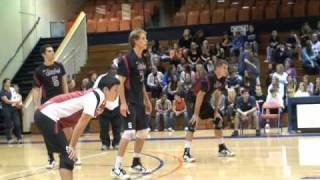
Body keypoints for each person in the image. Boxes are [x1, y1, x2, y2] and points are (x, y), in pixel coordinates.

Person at [34, 74, 119, 180]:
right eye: (116, 90)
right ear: (106, 89)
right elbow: (81, 124)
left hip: (47, 115)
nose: (117, 93)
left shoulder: (96, 96)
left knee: (67, 155)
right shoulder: (95, 97)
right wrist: (72, 146)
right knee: (68, 154)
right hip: (47, 115)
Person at [112, 29, 153, 179]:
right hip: (129, 102)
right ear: (135, 41)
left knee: (143, 132)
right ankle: (117, 167)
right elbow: (120, 83)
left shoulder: (142, 59)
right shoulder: (126, 59)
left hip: (139, 102)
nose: (146, 41)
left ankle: (136, 162)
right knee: (129, 133)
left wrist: (147, 100)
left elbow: (141, 82)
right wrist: (123, 103)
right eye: (143, 38)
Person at [182, 60, 235, 163]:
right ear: (218, 68)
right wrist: (196, 114)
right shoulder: (208, 78)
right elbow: (199, 95)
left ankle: (222, 148)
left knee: (218, 120)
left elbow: (217, 94)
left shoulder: (222, 79)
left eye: (226, 68)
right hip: (192, 99)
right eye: (224, 68)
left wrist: (216, 112)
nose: (226, 70)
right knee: (193, 122)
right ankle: (186, 153)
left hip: (204, 101)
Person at [32, 44, 68, 169]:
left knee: (66, 129)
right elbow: (36, 89)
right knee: (48, 132)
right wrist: (36, 105)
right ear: (43, 54)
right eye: (49, 51)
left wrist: (68, 97)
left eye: (53, 50)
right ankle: (51, 158)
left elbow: (64, 82)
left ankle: (69, 154)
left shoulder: (60, 66)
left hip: (61, 102)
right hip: (48, 105)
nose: (52, 52)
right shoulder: (39, 71)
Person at [94, 71, 122, 151]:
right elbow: (95, 89)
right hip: (104, 107)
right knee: (104, 127)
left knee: (117, 126)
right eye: (112, 68)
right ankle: (105, 144)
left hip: (116, 106)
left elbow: (121, 91)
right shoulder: (101, 77)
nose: (113, 70)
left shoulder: (118, 78)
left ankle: (116, 143)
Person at [0, 79, 22, 144]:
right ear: (4, 83)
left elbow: (17, 96)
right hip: (6, 109)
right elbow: (7, 101)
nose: (9, 83)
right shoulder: (2, 92)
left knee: (17, 124)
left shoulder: (12, 89)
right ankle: (9, 138)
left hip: (14, 108)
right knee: (8, 124)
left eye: (10, 82)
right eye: (8, 82)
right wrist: (16, 101)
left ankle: (19, 137)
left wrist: (19, 103)